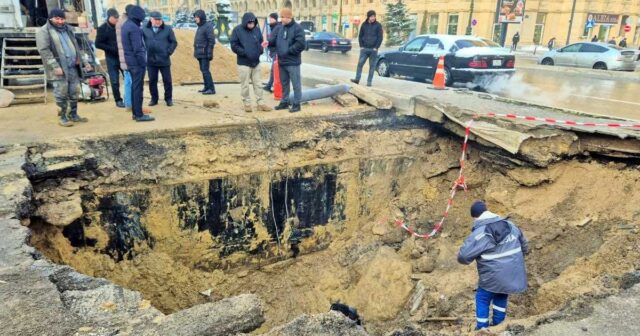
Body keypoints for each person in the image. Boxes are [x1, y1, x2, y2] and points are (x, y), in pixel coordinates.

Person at [458, 201, 528, 331]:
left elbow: (463, 256)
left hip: (491, 276)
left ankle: (482, 328)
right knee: (501, 293)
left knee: (482, 298)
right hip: (512, 274)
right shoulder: (511, 225)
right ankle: (498, 325)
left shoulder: (481, 232)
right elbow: (525, 246)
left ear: (475, 217)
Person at [36, 8, 92, 127]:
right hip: (59, 69)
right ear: (50, 18)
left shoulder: (68, 30)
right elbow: (44, 51)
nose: (60, 21)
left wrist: (84, 61)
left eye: (62, 19)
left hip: (72, 67)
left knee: (74, 92)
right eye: (57, 18)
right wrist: (55, 66)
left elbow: (76, 47)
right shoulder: (43, 31)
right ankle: (62, 117)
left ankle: (73, 114)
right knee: (61, 93)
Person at [230, 12, 272, 113]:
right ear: (245, 22)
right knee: (245, 85)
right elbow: (234, 45)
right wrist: (244, 52)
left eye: (253, 23)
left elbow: (261, 42)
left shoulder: (257, 30)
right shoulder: (237, 30)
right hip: (244, 63)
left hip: (256, 62)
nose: (251, 25)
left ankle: (260, 103)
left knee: (258, 84)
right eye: (250, 23)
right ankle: (247, 103)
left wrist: (260, 50)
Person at [266, 8, 305, 113]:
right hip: (282, 62)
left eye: (283, 17)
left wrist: (288, 51)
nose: (281, 19)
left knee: (296, 84)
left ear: (289, 17)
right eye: (281, 17)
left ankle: (297, 104)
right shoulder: (280, 28)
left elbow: (301, 44)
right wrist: (270, 45)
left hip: (293, 62)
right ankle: (284, 102)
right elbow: (274, 41)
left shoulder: (297, 28)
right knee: (284, 83)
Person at [122, 5, 154, 122]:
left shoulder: (126, 25)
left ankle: (136, 113)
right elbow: (138, 48)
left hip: (130, 61)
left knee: (134, 87)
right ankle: (139, 115)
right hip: (136, 63)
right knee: (138, 89)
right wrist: (143, 63)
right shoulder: (134, 28)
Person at [143, 11, 177, 107]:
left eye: (159, 19)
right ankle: (154, 99)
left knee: (167, 80)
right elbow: (141, 42)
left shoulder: (167, 29)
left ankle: (168, 99)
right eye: (156, 19)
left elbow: (174, 42)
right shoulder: (145, 29)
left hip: (164, 59)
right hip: (150, 60)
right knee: (152, 80)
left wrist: (168, 52)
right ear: (151, 19)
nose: (158, 21)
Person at [95, 8, 124, 108]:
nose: (117, 19)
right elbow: (98, 44)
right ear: (109, 17)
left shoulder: (121, 26)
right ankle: (118, 100)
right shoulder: (102, 28)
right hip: (111, 58)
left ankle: (130, 97)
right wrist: (111, 49)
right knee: (115, 80)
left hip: (122, 57)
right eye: (115, 18)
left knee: (128, 78)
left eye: (118, 17)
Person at [351, 10, 383, 87]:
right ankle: (357, 79)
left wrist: (376, 47)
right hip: (364, 49)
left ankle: (369, 82)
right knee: (360, 64)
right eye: (371, 16)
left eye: (374, 16)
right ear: (368, 17)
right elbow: (360, 36)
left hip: (373, 50)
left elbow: (380, 37)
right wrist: (361, 46)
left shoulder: (378, 25)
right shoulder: (364, 25)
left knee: (372, 66)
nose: (373, 18)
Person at [193, 9, 216, 95]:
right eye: (195, 17)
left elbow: (211, 40)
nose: (195, 19)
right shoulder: (200, 26)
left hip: (205, 53)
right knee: (203, 70)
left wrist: (209, 53)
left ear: (201, 17)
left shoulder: (207, 26)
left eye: (197, 17)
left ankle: (211, 89)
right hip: (199, 53)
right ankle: (206, 87)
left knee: (206, 71)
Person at [263, 12, 280, 93]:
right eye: (269, 18)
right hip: (274, 51)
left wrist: (267, 42)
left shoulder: (277, 27)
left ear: (275, 19)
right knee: (274, 69)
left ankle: (269, 86)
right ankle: (270, 85)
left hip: (277, 52)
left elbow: (273, 40)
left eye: (271, 18)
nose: (269, 20)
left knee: (274, 69)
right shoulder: (273, 27)